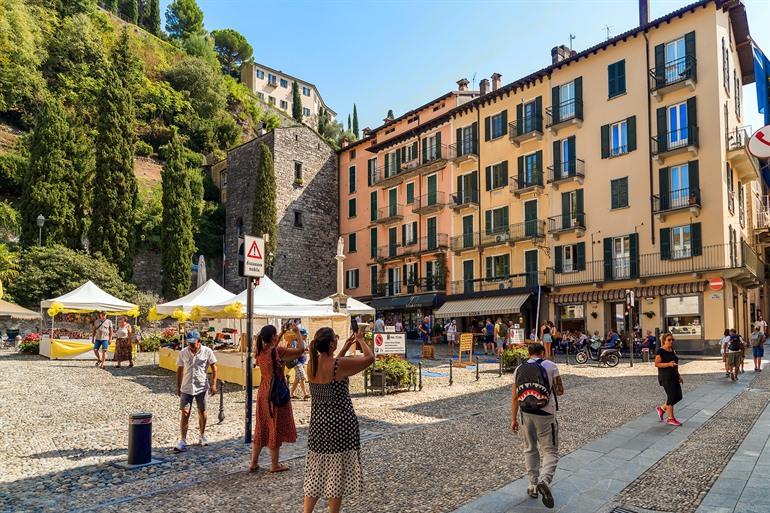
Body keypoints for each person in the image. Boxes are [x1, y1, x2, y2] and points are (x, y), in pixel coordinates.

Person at [303, 327, 374, 513]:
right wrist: (361, 340)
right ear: (332, 344)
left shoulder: (311, 364)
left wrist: (342, 349)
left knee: (316, 471)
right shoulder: (338, 365)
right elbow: (369, 358)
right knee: (336, 473)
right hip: (340, 426)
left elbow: (333, 364)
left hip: (318, 425)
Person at [511, 343, 564, 509]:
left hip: (526, 413)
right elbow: (560, 391)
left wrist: (513, 419)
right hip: (546, 414)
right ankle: (544, 480)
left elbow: (514, 397)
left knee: (530, 448)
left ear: (529, 353)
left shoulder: (519, 368)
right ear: (542, 352)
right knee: (550, 450)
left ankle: (533, 485)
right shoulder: (551, 365)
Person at [249, 323, 305, 473]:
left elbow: (272, 349)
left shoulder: (259, 351)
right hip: (276, 392)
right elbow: (300, 351)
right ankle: (274, 465)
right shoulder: (278, 351)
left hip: (263, 391)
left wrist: (280, 333)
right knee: (275, 426)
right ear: (273, 337)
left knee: (262, 427)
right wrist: (297, 332)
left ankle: (253, 462)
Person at [175, 330, 218, 451]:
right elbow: (179, 370)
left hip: (201, 386)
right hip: (187, 387)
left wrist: (214, 383)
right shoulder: (183, 352)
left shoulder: (207, 351)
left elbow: (214, 368)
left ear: (199, 341)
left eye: (193, 343)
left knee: (202, 411)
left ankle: (202, 435)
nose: (191, 345)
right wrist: (178, 386)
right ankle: (183, 440)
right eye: (189, 343)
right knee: (184, 413)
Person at [654, 332, 683, 427]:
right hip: (665, 377)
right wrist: (668, 364)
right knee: (671, 396)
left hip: (674, 376)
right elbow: (657, 364)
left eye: (672, 340)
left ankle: (662, 409)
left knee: (678, 396)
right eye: (669, 340)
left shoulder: (672, 350)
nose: (671, 341)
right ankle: (671, 418)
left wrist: (679, 376)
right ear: (664, 341)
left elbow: (675, 364)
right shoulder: (660, 351)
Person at [291, 328, 310, 400]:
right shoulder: (294, 342)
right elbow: (293, 351)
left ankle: (292, 394)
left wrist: (306, 351)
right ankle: (305, 394)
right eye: (304, 335)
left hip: (301, 363)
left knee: (297, 379)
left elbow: (304, 352)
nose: (306, 337)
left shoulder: (304, 342)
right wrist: (303, 351)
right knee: (303, 377)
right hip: (297, 362)